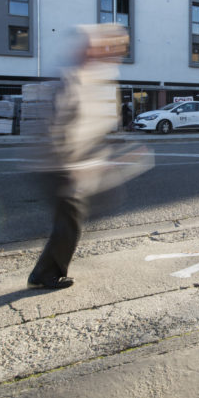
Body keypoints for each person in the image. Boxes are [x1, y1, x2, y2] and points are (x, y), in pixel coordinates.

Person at [28, 24, 150, 289]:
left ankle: (44, 271)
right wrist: (69, 162)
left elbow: (92, 125)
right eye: (106, 49)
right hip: (57, 165)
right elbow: (58, 125)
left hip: (70, 163)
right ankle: (45, 274)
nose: (112, 55)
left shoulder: (92, 76)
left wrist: (104, 158)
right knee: (70, 220)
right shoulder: (73, 77)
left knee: (71, 219)